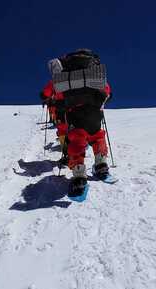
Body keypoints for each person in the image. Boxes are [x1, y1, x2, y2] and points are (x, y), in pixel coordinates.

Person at [43, 49, 112, 197]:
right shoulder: (93, 72)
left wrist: (48, 97)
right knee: (97, 135)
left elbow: (50, 90)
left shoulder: (66, 75)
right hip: (95, 109)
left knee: (77, 139)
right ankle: (101, 165)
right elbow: (107, 90)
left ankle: (79, 176)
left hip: (74, 110)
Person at [40, 59, 69, 165]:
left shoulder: (54, 80)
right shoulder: (71, 76)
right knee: (74, 128)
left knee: (62, 129)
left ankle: (67, 154)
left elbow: (45, 94)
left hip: (60, 106)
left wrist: (44, 96)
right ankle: (77, 154)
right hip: (73, 105)